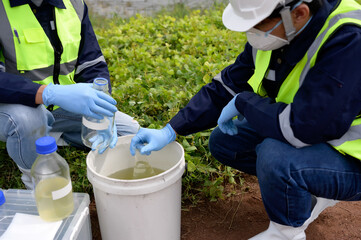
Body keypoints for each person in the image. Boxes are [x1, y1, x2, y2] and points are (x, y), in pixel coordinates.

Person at [130, 0, 361, 239]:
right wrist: (171, 129)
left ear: (299, 13)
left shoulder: (348, 39)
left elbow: (303, 128)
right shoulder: (283, 31)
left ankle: (286, 233)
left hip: (352, 158)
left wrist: (244, 102)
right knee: (225, 142)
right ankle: (309, 190)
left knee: (276, 156)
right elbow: (228, 84)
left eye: (258, 25)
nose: (253, 35)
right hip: (315, 132)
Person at [0, 0, 139, 189]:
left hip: (62, 107)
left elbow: (92, 64)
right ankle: (38, 178)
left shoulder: (74, 4)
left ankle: (50, 134)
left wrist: (101, 107)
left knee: (128, 132)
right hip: (17, 108)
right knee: (26, 120)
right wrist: (47, 93)